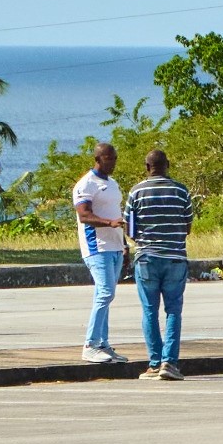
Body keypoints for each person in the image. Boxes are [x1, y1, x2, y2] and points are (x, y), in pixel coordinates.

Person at [125, 150, 194, 381]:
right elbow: (187, 227)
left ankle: (155, 363)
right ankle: (170, 362)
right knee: (173, 311)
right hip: (175, 258)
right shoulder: (181, 191)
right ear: (168, 164)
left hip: (147, 258)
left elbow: (130, 229)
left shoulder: (136, 192)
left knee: (149, 311)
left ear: (147, 167)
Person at [73, 142, 129, 364]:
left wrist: (124, 244)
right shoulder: (86, 184)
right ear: (98, 159)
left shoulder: (113, 184)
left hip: (115, 246)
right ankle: (91, 344)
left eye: (115, 158)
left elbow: (116, 213)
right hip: (96, 247)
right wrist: (109, 223)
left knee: (105, 294)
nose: (113, 162)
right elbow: (84, 216)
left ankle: (103, 344)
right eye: (109, 159)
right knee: (105, 293)